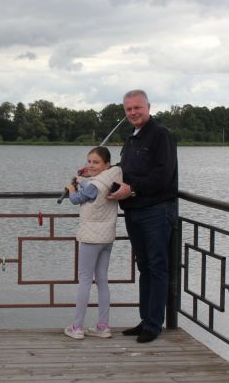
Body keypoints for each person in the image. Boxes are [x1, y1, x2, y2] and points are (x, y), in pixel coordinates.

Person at [107, 89, 178, 343]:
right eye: (128, 109)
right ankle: (145, 319)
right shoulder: (131, 138)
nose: (133, 113)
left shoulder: (161, 135)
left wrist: (133, 189)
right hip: (134, 210)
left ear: (148, 107)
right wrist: (98, 171)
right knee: (144, 266)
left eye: (137, 107)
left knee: (157, 266)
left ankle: (154, 324)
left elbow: (163, 174)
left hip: (157, 210)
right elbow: (124, 170)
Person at [64, 146, 123, 340]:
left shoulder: (94, 185)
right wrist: (84, 179)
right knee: (102, 280)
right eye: (89, 161)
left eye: (95, 162)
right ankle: (103, 326)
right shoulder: (113, 177)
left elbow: (76, 199)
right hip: (107, 237)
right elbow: (93, 185)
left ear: (107, 164)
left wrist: (72, 188)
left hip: (90, 238)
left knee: (85, 281)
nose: (90, 165)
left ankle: (77, 327)